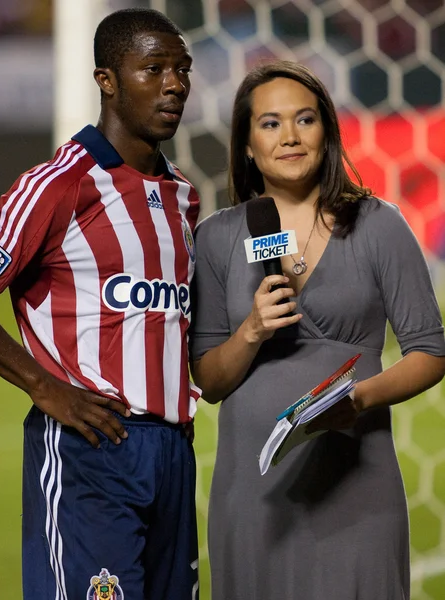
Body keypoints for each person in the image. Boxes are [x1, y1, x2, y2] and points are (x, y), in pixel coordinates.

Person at [190, 61, 445, 600]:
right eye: (270, 123)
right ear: (246, 144)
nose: (289, 136)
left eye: (305, 119)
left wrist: (358, 399)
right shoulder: (215, 238)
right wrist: (253, 329)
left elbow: (430, 350)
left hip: (358, 487)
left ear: (326, 131)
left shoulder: (379, 224)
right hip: (253, 497)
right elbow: (209, 382)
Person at [0, 8, 200, 600]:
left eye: (182, 70)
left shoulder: (183, 196)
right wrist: (42, 385)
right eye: (154, 68)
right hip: (91, 449)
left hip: (173, 454)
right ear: (106, 79)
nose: (175, 84)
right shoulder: (58, 184)